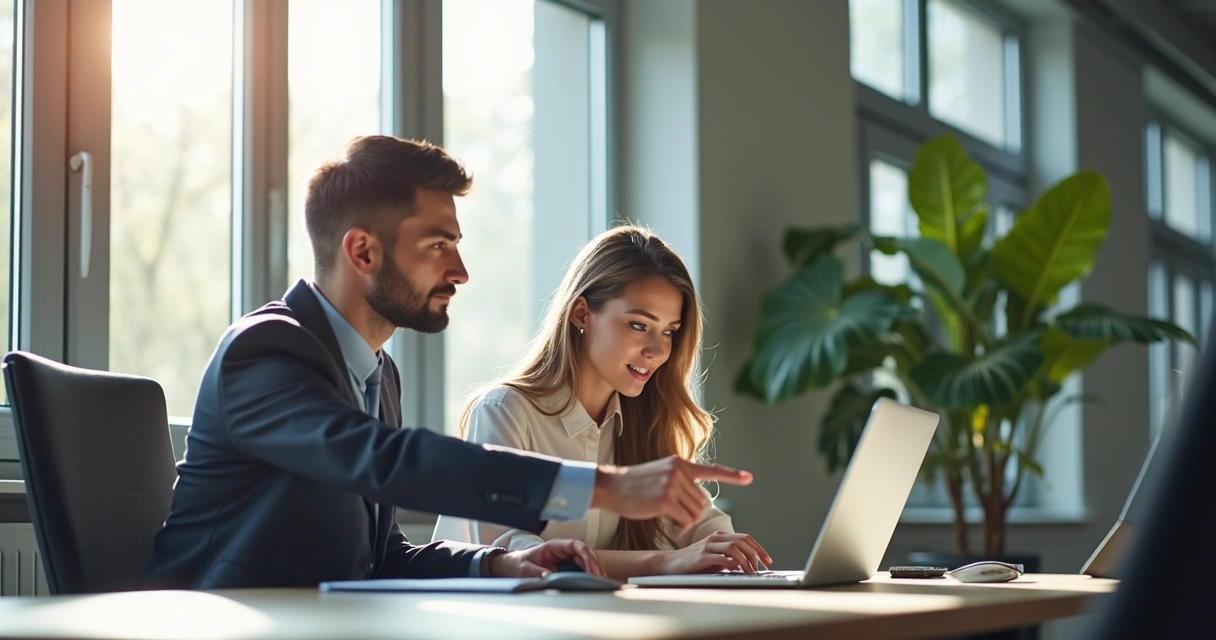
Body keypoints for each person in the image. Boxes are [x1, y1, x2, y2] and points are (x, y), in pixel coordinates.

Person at [140, 136, 754, 589]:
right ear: (363, 251)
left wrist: (503, 562)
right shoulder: (267, 348)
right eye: (440, 245)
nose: (460, 271)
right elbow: (387, 461)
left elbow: (382, 558)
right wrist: (605, 488)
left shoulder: (377, 373)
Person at [432, 225, 772, 580]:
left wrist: (724, 549)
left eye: (669, 331)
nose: (657, 352)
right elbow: (519, 554)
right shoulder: (503, 411)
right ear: (581, 314)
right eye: (639, 326)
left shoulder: (645, 424)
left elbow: (703, 529)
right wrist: (664, 561)